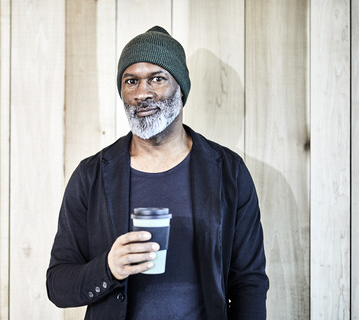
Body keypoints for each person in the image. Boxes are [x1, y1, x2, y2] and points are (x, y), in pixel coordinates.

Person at [46, 26, 269, 320]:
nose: (142, 93)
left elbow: (249, 282)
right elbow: (58, 284)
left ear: (181, 88)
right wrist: (108, 268)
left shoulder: (228, 171)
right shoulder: (92, 176)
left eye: (157, 79)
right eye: (131, 81)